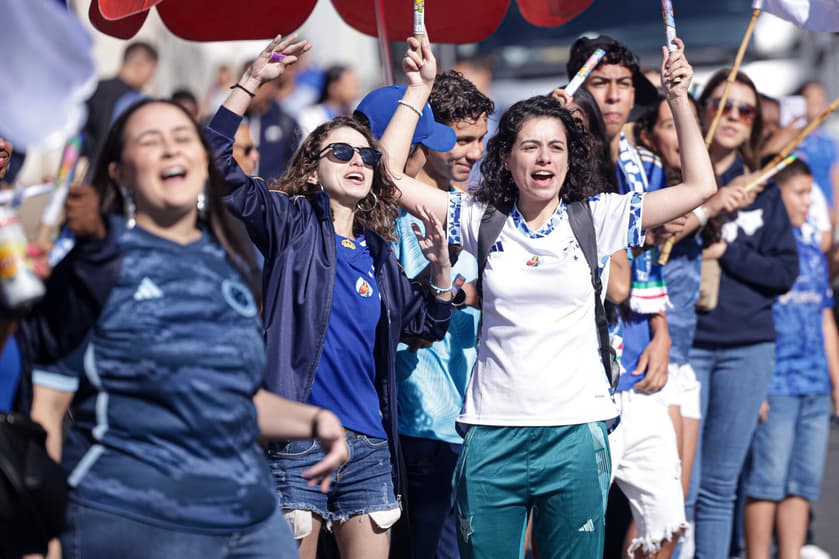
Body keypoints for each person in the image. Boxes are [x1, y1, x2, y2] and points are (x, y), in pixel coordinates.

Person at [381, 34, 716, 558]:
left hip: (576, 434)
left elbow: (699, 187)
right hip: (492, 434)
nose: (544, 158)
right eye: (530, 146)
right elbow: (388, 176)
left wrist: (677, 96)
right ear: (507, 159)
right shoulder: (478, 218)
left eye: (555, 146)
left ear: (569, 158)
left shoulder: (598, 217)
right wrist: (418, 90)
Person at [26, 97, 349, 559]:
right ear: (118, 173)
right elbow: (48, 408)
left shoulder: (228, 263)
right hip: (134, 522)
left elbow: (231, 398)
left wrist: (315, 420)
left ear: (202, 161)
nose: (171, 150)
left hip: (253, 524)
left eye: (182, 138)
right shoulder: (93, 266)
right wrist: (43, 537)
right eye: (150, 140)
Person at [206, 34, 453, 559]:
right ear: (313, 167)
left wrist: (440, 271)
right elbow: (216, 160)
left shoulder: (380, 252)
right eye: (341, 152)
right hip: (295, 441)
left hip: (368, 447)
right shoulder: (289, 222)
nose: (358, 160)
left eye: (366, 154)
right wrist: (249, 84)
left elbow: (425, 325)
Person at [359, 76, 490, 559]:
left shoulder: (483, 209)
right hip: (420, 425)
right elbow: (394, 312)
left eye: (481, 139)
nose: (473, 153)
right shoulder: (382, 218)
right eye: (459, 139)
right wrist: (455, 292)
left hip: (481, 422)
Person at [567, 35, 684, 558]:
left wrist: (661, 335)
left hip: (637, 365)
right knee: (569, 531)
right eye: (600, 84)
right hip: (578, 379)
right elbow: (615, 280)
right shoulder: (555, 165)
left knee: (665, 525)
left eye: (623, 85)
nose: (614, 97)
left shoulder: (645, 166)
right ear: (578, 91)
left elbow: (649, 268)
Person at [686, 68, 799, 558]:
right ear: (701, 109)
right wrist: (707, 209)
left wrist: (725, 249)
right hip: (684, 346)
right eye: (722, 104)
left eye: (745, 110)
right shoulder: (675, 177)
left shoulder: (765, 187)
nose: (732, 116)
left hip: (747, 347)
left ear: (755, 124)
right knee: (678, 487)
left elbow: (784, 273)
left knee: (718, 486)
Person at [742, 158, 839, 559]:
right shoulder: (766, 247)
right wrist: (756, 387)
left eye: (810, 194)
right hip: (776, 383)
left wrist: (836, 382)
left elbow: (824, 317)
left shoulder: (812, 249)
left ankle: (792, 553)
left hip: (814, 384)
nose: (807, 203)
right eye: (799, 194)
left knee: (802, 483)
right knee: (767, 481)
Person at [82, 41, 158, 169]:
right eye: (152, 71)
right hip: (113, 175)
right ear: (141, 64)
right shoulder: (136, 101)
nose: (150, 78)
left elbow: (77, 138)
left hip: (87, 173)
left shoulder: (94, 88)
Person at [241, 59, 303, 182]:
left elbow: (294, 168)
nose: (251, 89)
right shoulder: (233, 121)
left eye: (258, 83)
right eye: (246, 82)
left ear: (272, 85)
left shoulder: (286, 123)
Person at [298, 65, 361, 137]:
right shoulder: (310, 116)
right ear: (333, 87)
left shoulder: (357, 113)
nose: (356, 87)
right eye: (351, 83)